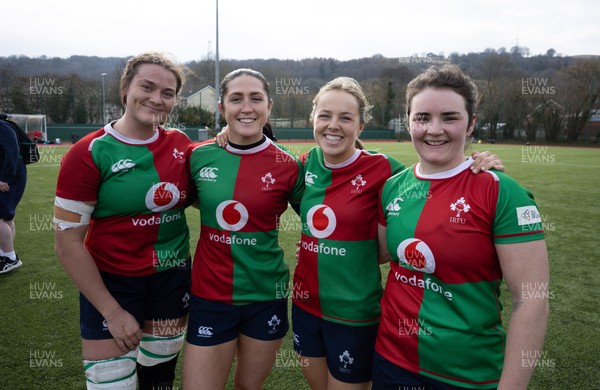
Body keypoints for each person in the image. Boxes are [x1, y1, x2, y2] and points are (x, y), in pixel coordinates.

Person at [291, 77, 504, 390]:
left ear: (361, 126)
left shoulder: (384, 170)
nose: (333, 125)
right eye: (325, 115)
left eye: (346, 117)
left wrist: (478, 163)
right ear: (313, 119)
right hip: (305, 306)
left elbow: (431, 181)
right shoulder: (303, 166)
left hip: (355, 314)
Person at [374, 65, 549, 389]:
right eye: (423, 117)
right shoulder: (393, 187)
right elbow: (381, 254)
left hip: (468, 373)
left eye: (449, 118)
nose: (434, 129)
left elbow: (531, 299)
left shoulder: (503, 192)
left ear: (471, 124)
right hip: (391, 360)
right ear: (409, 120)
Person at [54, 51, 193, 390]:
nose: (156, 99)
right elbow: (67, 242)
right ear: (125, 88)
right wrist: (113, 313)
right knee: (110, 383)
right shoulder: (88, 153)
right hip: (111, 283)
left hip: (170, 281)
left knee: (158, 378)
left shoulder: (182, 145)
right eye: (147, 87)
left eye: (167, 93)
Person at [182, 68, 304, 389]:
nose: (246, 108)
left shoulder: (288, 166)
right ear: (221, 108)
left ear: (269, 107)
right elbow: (190, 201)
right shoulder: (197, 156)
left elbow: (322, 215)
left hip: (266, 295)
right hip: (210, 296)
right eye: (236, 99)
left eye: (255, 99)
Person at [0, 114, 26, 274]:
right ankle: (5, 254)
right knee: (6, 216)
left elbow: (12, 152)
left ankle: (10, 258)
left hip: (9, 177)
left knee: (2, 216)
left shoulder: (2, 126)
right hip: (10, 175)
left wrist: (5, 178)